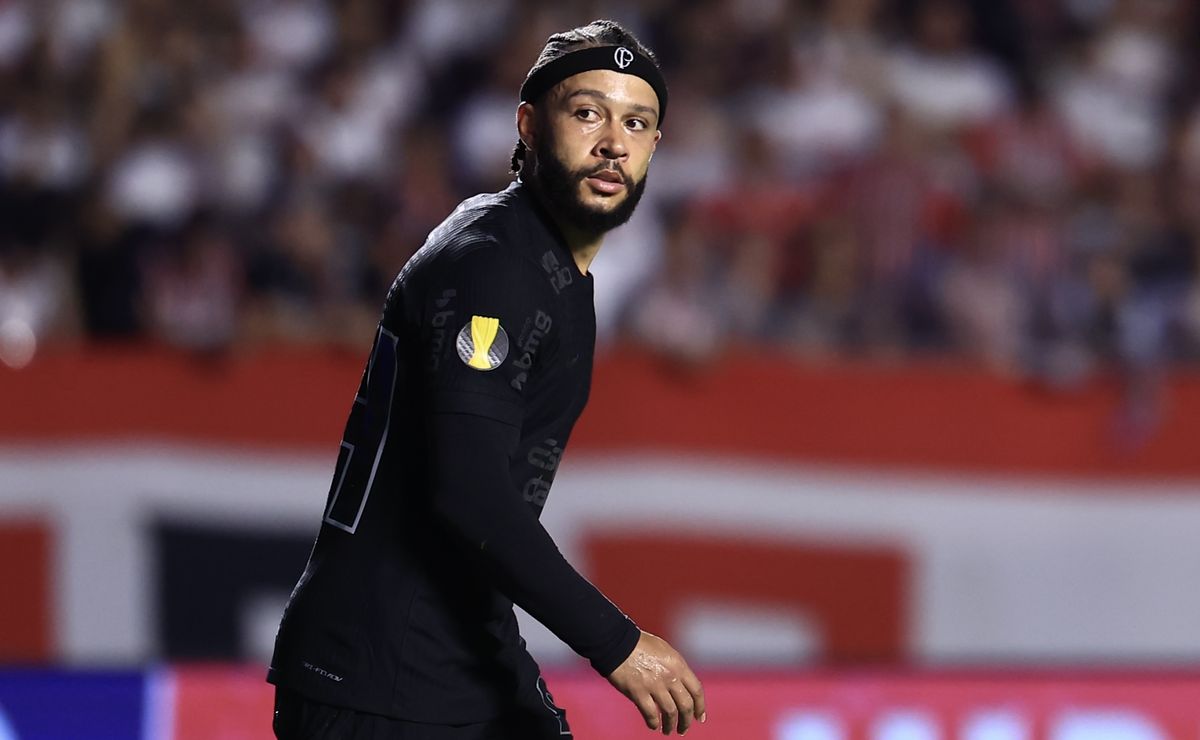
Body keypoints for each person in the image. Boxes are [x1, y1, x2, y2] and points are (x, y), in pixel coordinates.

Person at [268, 19, 707, 739]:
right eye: (587, 112)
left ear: (655, 147)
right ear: (528, 126)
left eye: (636, 123)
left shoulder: (537, 257)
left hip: (439, 662)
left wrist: (517, 685)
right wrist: (617, 642)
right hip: (381, 681)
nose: (613, 143)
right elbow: (470, 492)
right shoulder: (495, 267)